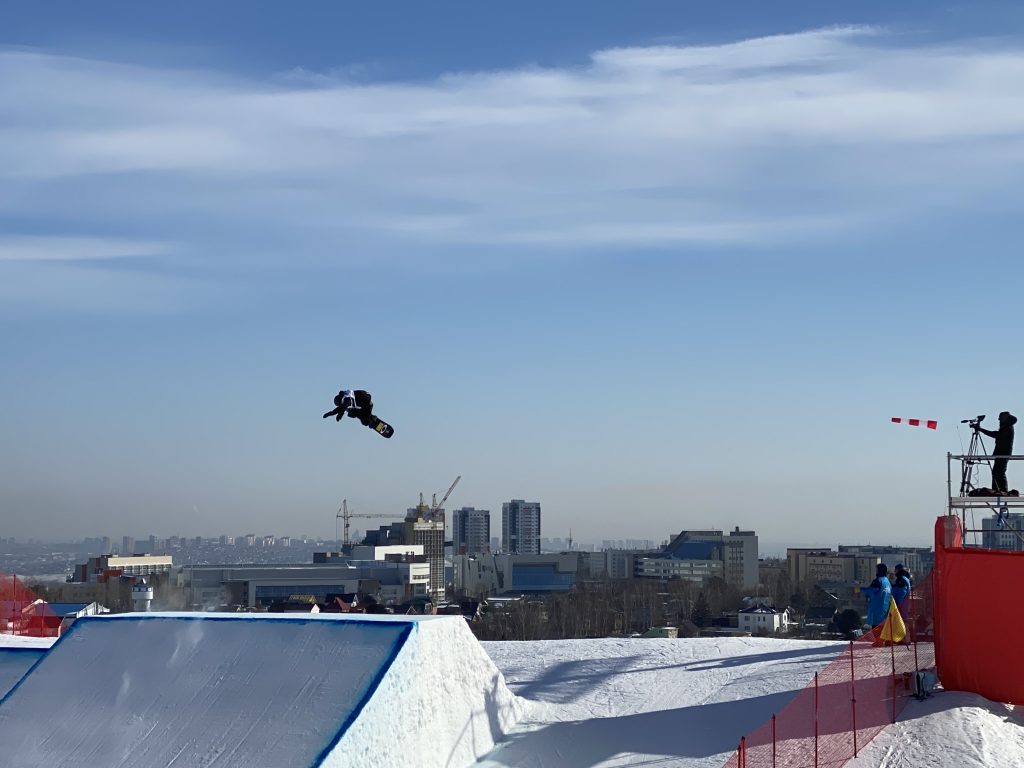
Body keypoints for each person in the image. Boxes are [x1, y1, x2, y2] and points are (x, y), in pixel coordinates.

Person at [977, 411, 1017, 493]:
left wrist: (980, 429)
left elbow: (996, 435)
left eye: (1000, 418)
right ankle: (998, 490)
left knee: (999, 472)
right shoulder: (1007, 426)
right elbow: (997, 435)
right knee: (997, 472)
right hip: (1002, 453)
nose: (998, 419)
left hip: (1003, 454)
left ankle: (1001, 490)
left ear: (1004, 418)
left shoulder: (1007, 428)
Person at [860, 562, 892, 628]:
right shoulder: (887, 582)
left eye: (877, 570)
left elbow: (871, 591)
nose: (876, 572)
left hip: (876, 612)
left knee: (876, 633)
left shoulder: (877, 581)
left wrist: (859, 589)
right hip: (884, 611)